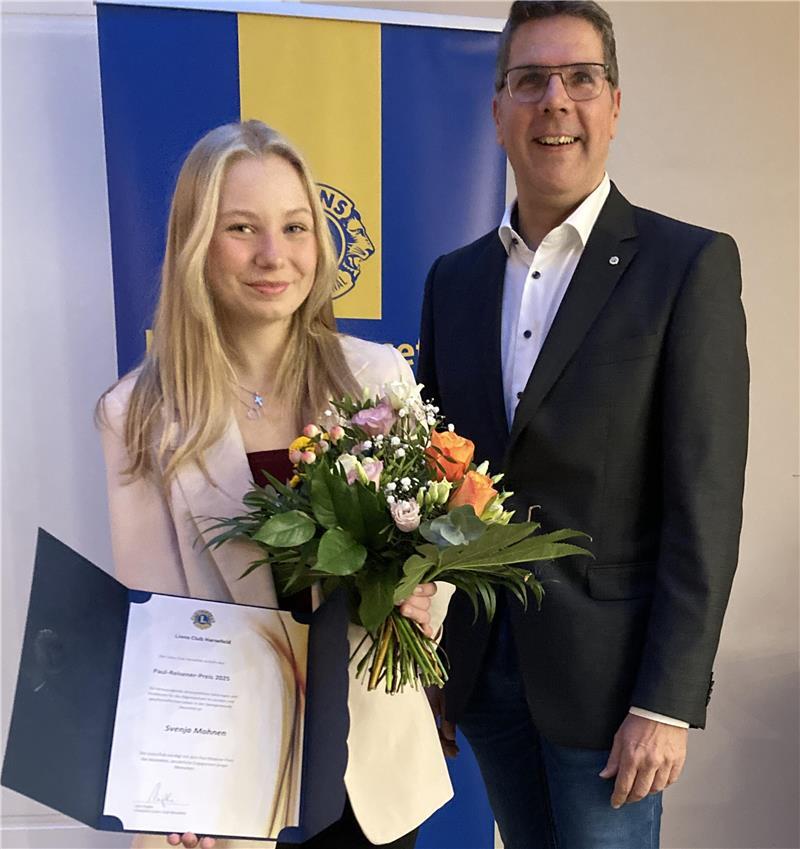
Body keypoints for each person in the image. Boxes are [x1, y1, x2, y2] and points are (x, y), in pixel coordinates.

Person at [417, 2, 748, 847]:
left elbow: (704, 506)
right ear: (498, 111)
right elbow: (434, 484)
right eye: (530, 80)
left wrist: (666, 700)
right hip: (485, 672)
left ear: (615, 104)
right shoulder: (453, 281)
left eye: (580, 78)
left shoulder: (687, 266)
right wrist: (430, 662)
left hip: (613, 693)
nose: (555, 100)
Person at [98, 120, 453, 849]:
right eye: (242, 228)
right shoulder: (137, 414)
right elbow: (157, 618)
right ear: (196, 242)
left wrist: (423, 595)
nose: (274, 255)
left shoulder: (378, 374)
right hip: (233, 775)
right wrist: (175, 782)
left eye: (295, 227)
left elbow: (436, 546)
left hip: (373, 771)